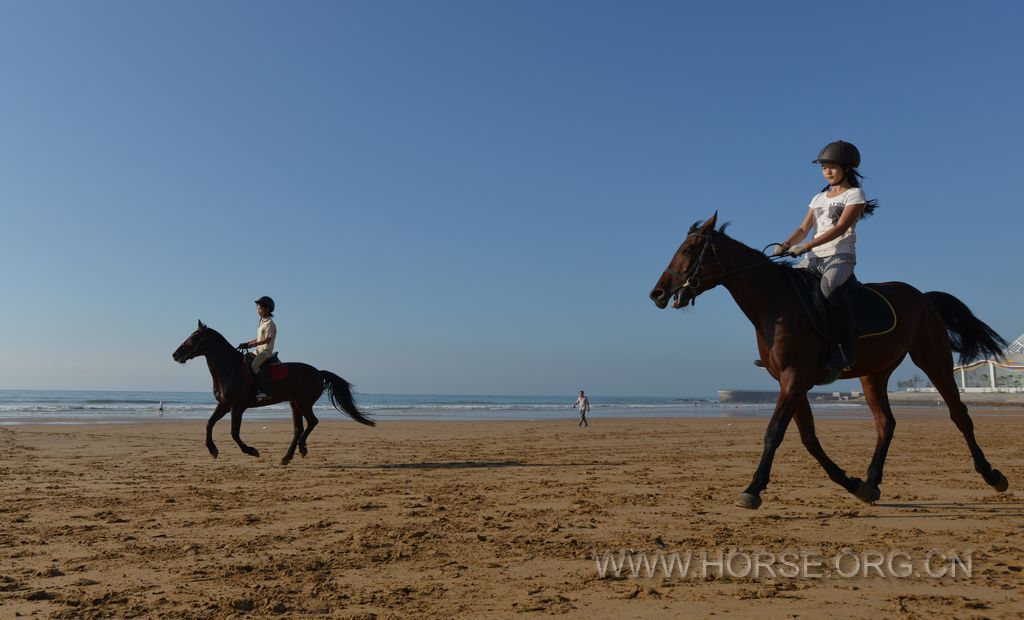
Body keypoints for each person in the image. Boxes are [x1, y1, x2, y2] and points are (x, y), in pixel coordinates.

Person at [772, 140, 879, 370]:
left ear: (847, 168)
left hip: (840, 256)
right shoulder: (818, 198)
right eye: (824, 167)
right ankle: (783, 349)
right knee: (786, 289)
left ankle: (844, 350)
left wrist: (807, 245)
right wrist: (786, 243)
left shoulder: (854, 195)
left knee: (828, 289)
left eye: (832, 167)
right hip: (812, 258)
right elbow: (803, 228)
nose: (827, 172)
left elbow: (840, 228)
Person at [237, 296, 277, 398]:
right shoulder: (262, 322)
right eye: (257, 309)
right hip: (258, 350)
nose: (258, 311)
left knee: (254, 366)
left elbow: (267, 339)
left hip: (265, 352)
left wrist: (252, 345)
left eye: (260, 309)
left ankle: (264, 390)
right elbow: (258, 338)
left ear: (267, 309)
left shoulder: (270, 323)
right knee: (244, 359)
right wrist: (246, 343)